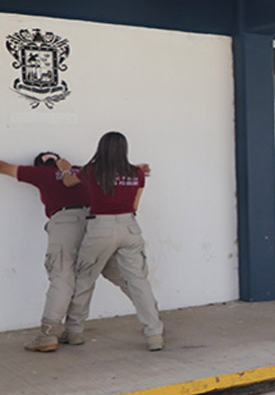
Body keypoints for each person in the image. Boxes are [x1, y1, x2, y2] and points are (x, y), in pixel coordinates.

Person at [0, 152, 137, 352]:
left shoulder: (40, 173)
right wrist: (138, 168)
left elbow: (4, 167)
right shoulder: (84, 171)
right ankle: (152, 319)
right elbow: (117, 173)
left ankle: (48, 335)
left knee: (62, 278)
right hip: (95, 223)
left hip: (65, 223)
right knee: (118, 272)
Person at [61, 132, 164, 351]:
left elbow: (69, 181)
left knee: (85, 277)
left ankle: (74, 332)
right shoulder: (137, 173)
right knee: (138, 281)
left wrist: (63, 168)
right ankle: (155, 334)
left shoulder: (92, 170)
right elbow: (135, 206)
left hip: (100, 228)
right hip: (130, 227)